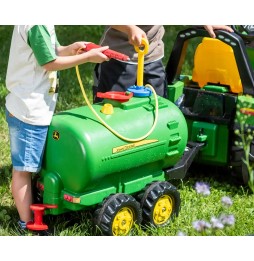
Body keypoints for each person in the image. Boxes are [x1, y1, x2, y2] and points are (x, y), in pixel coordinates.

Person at [5, 25, 109, 234]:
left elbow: (49, 51)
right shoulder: (36, 23)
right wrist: (87, 58)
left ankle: (35, 208)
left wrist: (69, 49)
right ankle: (27, 224)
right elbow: (50, 63)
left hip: (34, 107)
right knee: (23, 170)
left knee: (32, 165)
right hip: (28, 111)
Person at [92, 25, 234, 103]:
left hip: (152, 54)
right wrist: (129, 28)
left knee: (158, 102)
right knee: (112, 104)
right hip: (118, 55)